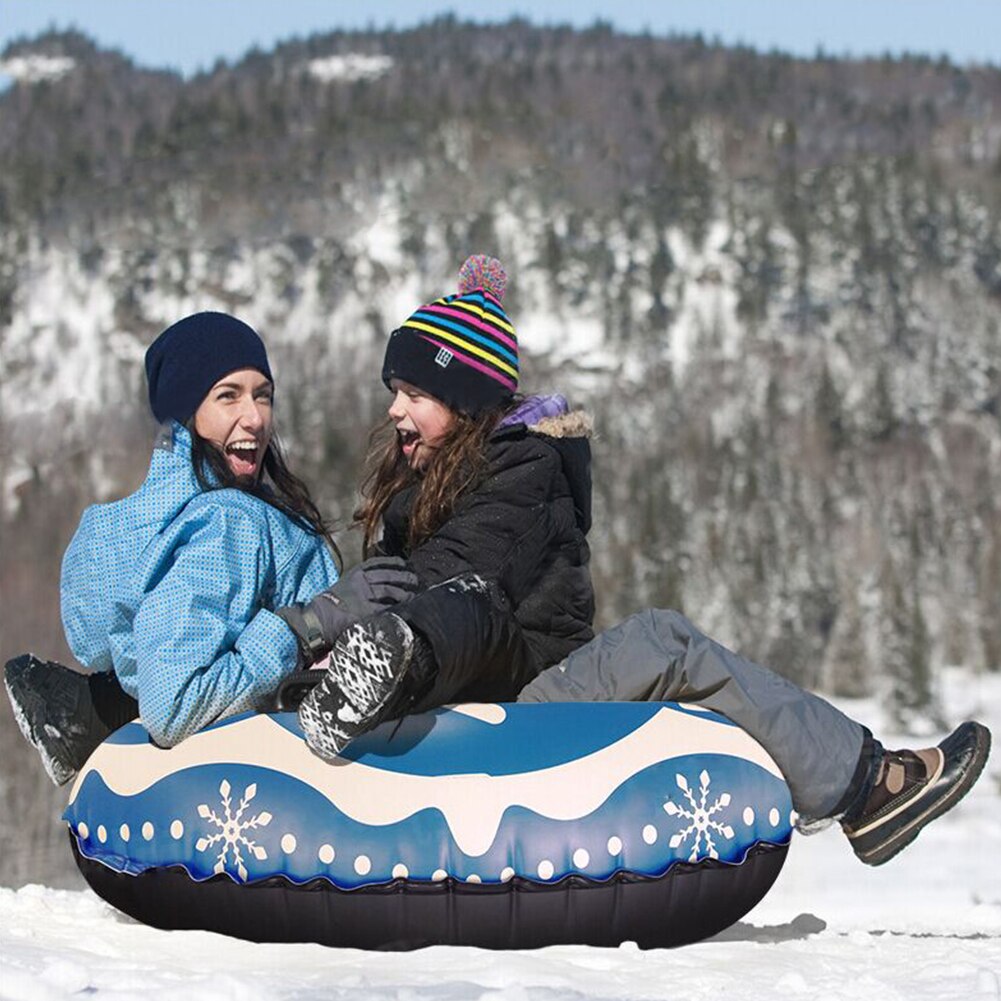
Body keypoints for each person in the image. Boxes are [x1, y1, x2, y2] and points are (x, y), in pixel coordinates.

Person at [5, 311, 417, 784]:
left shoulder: (171, 521)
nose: (256, 417)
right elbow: (176, 706)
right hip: (273, 797)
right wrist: (306, 624)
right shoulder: (226, 523)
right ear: (187, 414)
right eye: (228, 396)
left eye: (263, 395)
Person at [281, 255, 595, 759]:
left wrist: (359, 627)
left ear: (465, 405)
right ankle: (353, 673)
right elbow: (392, 574)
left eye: (415, 395)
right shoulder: (429, 472)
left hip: (534, 670)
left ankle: (373, 670)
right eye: (395, 392)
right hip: (456, 657)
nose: (394, 409)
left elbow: (452, 570)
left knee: (469, 602)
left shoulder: (528, 467)